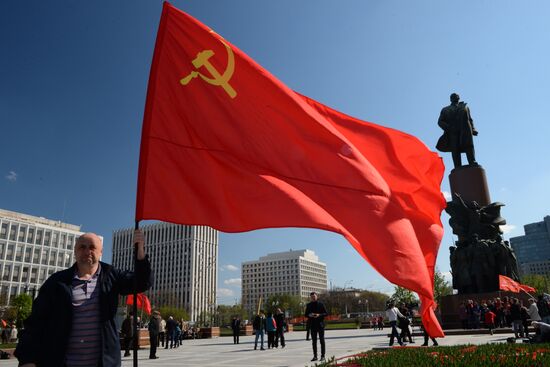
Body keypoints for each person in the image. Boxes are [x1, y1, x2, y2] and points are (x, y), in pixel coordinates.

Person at [14, 230, 152, 367]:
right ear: (75, 251)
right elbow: (35, 322)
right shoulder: (57, 282)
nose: (87, 251)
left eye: (92, 247)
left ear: (101, 252)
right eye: (82, 247)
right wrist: (27, 359)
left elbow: (141, 282)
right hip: (61, 361)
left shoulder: (111, 275)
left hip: (104, 362)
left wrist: (140, 253)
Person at [436, 93, 478, 168]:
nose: (455, 97)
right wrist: (449, 128)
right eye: (453, 97)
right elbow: (440, 122)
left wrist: (473, 128)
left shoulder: (465, 107)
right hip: (453, 132)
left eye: (456, 96)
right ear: (450, 99)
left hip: (465, 129)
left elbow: (470, 119)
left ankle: (472, 161)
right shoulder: (445, 109)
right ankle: (457, 166)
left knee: (469, 146)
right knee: (455, 149)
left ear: (459, 98)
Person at [305, 291, 328, 362]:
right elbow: (306, 314)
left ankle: (323, 356)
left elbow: (326, 313)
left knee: (322, 340)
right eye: (312, 297)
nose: (313, 298)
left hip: (320, 324)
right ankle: (315, 356)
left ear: (316, 296)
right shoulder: (308, 305)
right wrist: (309, 315)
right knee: (314, 341)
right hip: (312, 325)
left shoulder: (321, 304)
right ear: (310, 298)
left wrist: (319, 315)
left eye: (314, 297)